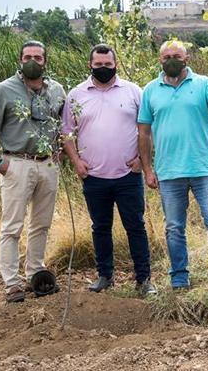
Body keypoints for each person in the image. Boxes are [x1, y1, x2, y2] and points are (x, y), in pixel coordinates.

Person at [138, 40, 208, 294]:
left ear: (187, 58)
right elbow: (143, 134)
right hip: (169, 171)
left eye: (177, 55)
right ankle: (180, 280)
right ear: (159, 60)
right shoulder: (150, 90)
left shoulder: (203, 84)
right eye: (166, 56)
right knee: (174, 228)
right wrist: (148, 170)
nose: (171, 59)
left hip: (204, 169)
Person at [0, 40, 66, 303]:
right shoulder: (2, 91)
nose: (33, 62)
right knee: (12, 226)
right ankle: (12, 283)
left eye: (38, 57)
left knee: (42, 224)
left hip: (47, 164)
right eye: (28, 57)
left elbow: (64, 125)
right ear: (20, 60)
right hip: (17, 163)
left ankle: (36, 273)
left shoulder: (57, 91)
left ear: (45, 61)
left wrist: (60, 150)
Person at [61, 44, 156, 297]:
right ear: (90, 65)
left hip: (128, 175)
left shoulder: (134, 91)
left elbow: (147, 129)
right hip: (93, 176)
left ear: (116, 63)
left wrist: (141, 160)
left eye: (108, 64)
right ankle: (105, 275)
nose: (103, 68)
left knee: (135, 226)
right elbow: (67, 133)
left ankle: (144, 279)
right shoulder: (76, 95)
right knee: (100, 227)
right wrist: (76, 162)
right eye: (98, 64)